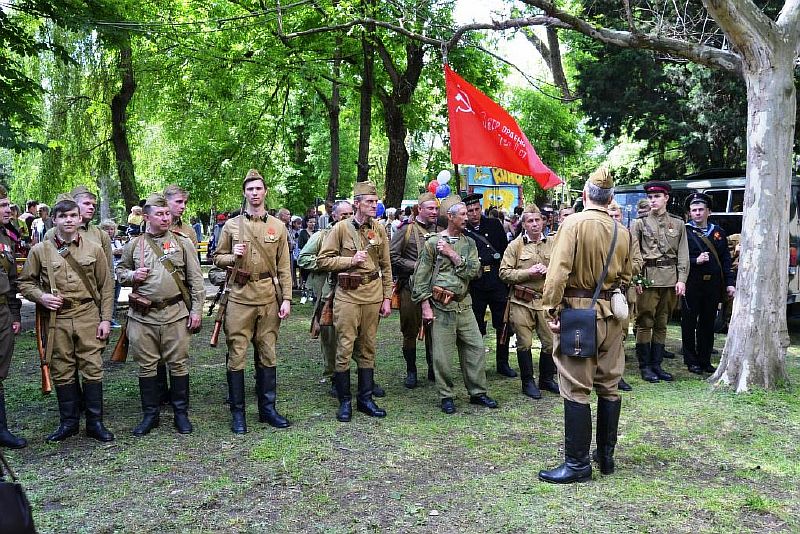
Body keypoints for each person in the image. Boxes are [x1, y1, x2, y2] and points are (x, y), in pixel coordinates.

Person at [538, 167, 632, 484]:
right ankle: (605, 458)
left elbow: (558, 271)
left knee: (576, 387)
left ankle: (578, 465)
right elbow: (628, 277)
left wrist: (551, 310)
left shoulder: (573, 224)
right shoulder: (624, 231)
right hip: (612, 318)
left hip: (580, 314)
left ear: (584, 195)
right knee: (609, 384)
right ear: (610, 199)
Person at [19, 197, 115, 442]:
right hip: (57, 319)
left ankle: (95, 423)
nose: (69, 220)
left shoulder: (93, 248)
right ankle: (69, 423)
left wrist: (105, 319)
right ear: (54, 219)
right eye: (63, 216)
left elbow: (106, 286)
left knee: (92, 367)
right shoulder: (40, 250)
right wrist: (41, 297)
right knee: (62, 368)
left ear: (80, 218)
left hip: (87, 315)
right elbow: (25, 282)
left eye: (73, 215)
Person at [116, 193, 205, 435]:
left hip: (175, 313)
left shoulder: (182, 242)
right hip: (142, 317)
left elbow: (196, 281)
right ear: (146, 217)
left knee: (178, 365)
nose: (166, 218)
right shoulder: (134, 245)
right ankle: (150, 415)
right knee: (147, 366)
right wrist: (132, 276)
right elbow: (121, 270)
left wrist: (196, 310)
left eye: (168, 214)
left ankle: (181, 414)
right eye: (160, 214)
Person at [213, 169, 293, 434]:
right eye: (250, 190)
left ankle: (267, 409)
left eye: (259, 189)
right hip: (239, 297)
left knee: (268, 352)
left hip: (268, 298)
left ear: (265, 192)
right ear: (245, 193)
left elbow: (284, 268)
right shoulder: (232, 225)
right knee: (237, 354)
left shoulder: (278, 227)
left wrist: (287, 299)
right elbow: (217, 257)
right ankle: (238, 414)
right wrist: (230, 256)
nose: (255, 193)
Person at [412, 195, 498, 414]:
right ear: (450, 217)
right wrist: (425, 307)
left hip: (464, 305)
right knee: (442, 356)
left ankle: (477, 392)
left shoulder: (469, 243)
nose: (467, 218)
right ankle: (446, 396)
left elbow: (474, 272)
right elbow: (420, 277)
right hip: (441, 308)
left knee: (476, 348)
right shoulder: (432, 242)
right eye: (462, 214)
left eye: (467, 214)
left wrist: (452, 254)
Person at [317, 180, 392, 422]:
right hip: (348, 295)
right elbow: (323, 260)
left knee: (368, 346)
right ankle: (344, 401)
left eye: (375, 201)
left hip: (372, 293)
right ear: (357, 204)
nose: (374, 205)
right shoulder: (340, 229)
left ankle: (365, 399)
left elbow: (386, 266)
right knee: (345, 345)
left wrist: (387, 297)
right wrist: (349, 261)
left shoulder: (379, 229)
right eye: (369, 202)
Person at [630, 181, 688, 383]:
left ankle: (657, 365)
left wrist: (682, 280)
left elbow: (683, 254)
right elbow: (633, 254)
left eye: (657, 197)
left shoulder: (678, 224)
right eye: (651, 197)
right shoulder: (639, 223)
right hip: (647, 279)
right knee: (645, 321)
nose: (653, 200)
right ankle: (645, 366)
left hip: (670, 280)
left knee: (662, 323)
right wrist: (636, 278)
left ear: (666, 198)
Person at [499, 204, 559, 399]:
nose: (534, 224)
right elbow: (504, 273)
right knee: (524, 343)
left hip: (545, 301)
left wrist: (548, 270)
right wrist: (528, 273)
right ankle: (527, 382)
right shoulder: (515, 246)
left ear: (543, 221)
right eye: (530, 221)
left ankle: (547, 379)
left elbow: (563, 269)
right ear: (523, 224)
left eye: (537, 220)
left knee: (550, 342)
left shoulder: (553, 243)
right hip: (521, 301)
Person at [298, 201, 353, 391]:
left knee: (357, 336)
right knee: (329, 338)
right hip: (328, 294)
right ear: (334, 216)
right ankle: (334, 377)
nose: (347, 217)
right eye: (343, 214)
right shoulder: (321, 236)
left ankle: (362, 376)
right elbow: (303, 258)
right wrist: (326, 264)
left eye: (350, 213)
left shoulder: (358, 235)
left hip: (354, 294)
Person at [681, 193, 736, 374]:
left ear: (708, 211)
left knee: (708, 322)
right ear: (690, 213)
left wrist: (729, 283)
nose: (697, 213)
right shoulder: (685, 232)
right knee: (689, 322)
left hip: (712, 285)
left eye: (700, 210)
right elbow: (677, 258)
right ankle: (691, 360)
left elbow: (726, 260)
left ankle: (704, 360)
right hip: (692, 283)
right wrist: (695, 260)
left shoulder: (718, 232)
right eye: (694, 210)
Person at [462, 193, 516, 377]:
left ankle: (503, 363)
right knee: (476, 325)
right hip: (475, 283)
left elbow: (504, 250)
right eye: (470, 211)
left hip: (496, 280)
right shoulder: (463, 230)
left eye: (477, 209)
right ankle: (477, 366)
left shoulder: (494, 225)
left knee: (503, 323)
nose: (474, 214)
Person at [390, 192, 440, 388]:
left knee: (434, 330)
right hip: (410, 288)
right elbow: (392, 256)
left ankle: (432, 367)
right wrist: (417, 266)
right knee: (409, 329)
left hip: (435, 288)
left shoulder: (441, 230)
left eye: (436, 208)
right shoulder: (406, 230)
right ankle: (411, 370)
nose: (434, 212)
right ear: (420, 209)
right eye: (430, 208)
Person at [606, 200, 643, 392]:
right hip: (601, 294)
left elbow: (638, 262)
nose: (613, 220)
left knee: (620, 335)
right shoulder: (599, 235)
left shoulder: (629, 237)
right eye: (610, 216)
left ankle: (616, 375)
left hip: (621, 292)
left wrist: (620, 268)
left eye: (616, 216)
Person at [0, 188, 25, 448]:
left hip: (3, 312)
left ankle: (1, 430)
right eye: (2, 205)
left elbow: (11, 280)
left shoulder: (7, 239)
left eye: (8, 204)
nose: (8, 209)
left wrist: (15, 313)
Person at [100, 219, 124, 327]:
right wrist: (113, 252)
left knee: (115, 297)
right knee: (107, 297)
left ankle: (112, 318)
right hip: (107, 273)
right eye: (107, 229)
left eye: (112, 229)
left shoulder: (117, 241)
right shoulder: (100, 242)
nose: (109, 231)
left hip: (117, 273)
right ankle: (105, 318)